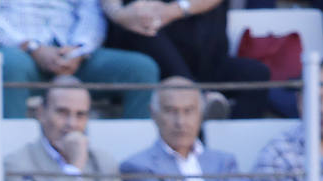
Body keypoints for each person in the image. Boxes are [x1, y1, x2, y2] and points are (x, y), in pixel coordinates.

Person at [0, 0, 159, 118]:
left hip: (71, 56)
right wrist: (32, 47)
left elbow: (92, 12)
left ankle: (135, 168)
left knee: (141, 69)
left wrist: (79, 49)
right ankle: (11, 162)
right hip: (13, 52)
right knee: (9, 65)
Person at [119, 76, 256, 181]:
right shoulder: (136, 166)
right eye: (171, 111)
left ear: (201, 114)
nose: (180, 122)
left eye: (189, 111)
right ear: (154, 114)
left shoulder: (224, 161)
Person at [4, 75, 137, 181]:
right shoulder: (17, 164)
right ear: (41, 113)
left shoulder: (103, 161)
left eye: (80, 115)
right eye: (62, 112)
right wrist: (74, 169)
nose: (71, 124)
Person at [101, 0, 269, 120]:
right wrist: (121, 15)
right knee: (145, 27)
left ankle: (229, 153)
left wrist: (173, 10)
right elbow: (114, 7)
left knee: (256, 74)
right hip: (158, 57)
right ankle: (198, 100)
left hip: (207, 58)